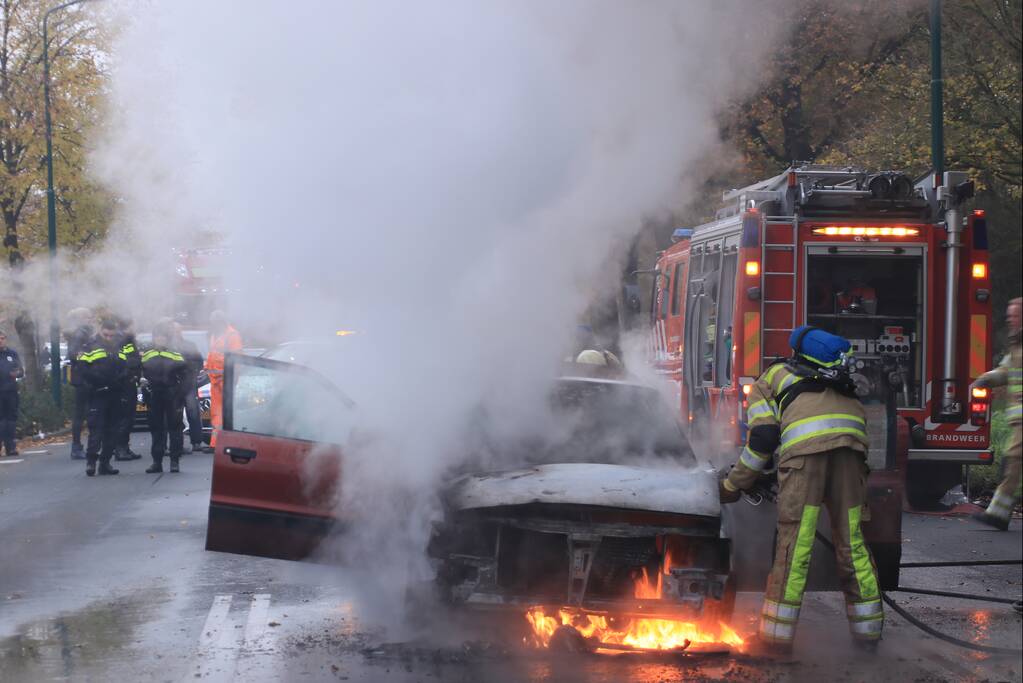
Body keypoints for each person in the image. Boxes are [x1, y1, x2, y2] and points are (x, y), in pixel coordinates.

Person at [719, 325, 882, 654]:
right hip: (852, 457)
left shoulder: (772, 378)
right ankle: (868, 634)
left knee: (796, 545)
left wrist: (733, 484)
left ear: (794, 353)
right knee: (852, 543)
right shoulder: (840, 382)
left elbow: (762, 442)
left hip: (805, 462)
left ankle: (776, 639)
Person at [971, 297, 1022, 531]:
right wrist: (984, 379)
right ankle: (998, 514)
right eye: (1009, 315)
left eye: (1015, 314)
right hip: (1018, 418)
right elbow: (1007, 370)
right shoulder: (1017, 342)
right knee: (1012, 463)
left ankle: (998, 514)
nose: (1010, 318)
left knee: (1013, 462)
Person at [78, 318, 128, 476]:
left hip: (115, 393)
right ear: (100, 331)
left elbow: (126, 368)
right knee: (96, 429)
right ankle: (91, 462)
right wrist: (100, 380)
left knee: (112, 430)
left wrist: (119, 380)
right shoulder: (90, 346)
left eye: (111, 336)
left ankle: (105, 463)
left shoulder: (119, 347)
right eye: (106, 335)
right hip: (97, 393)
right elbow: (83, 369)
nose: (109, 338)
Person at [142, 323, 187, 473]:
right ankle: (157, 461)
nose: (160, 340)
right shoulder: (147, 354)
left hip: (172, 395)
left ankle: (175, 461)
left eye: (163, 338)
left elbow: (185, 376)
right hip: (155, 394)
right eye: (157, 338)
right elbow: (139, 373)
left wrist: (180, 394)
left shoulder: (176, 354)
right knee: (156, 428)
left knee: (175, 427)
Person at [205, 310, 242, 452]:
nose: (213, 325)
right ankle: (216, 444)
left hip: (227, 379)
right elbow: (213, 355)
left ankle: (225, 443)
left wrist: (233, 379)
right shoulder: (216, 334)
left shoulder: (232, 335)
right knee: (217, 413)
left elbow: (236, 359)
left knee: (226, 413)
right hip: (216, 381)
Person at [65, 308, 95, 460]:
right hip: (84, 379)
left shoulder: (84, 333)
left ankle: (81, 446)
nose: (91, 319)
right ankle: (77, 447)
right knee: (82, 413)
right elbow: (74, 354)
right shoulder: (80, 334)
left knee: (83, 413)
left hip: (83, 378)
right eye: (87, 317)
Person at [114, 316, 142, 461]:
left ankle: (124, 447)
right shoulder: (123, 339)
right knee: (125, 417)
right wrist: (136, 364)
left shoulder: (126, 339)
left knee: (129, 417)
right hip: (125, 383)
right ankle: (120, 449)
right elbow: (124, 360)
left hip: (128, 381)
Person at [173, 322, 205, 454]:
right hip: (173, 385)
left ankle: (196, 442)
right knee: (174, 415)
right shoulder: (167, 347)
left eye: (178, 330)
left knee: (193, 413)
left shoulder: (190, 346)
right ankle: (177, 444)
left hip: (188, 383)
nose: (176, 333)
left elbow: (199, 362)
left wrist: (193, 372)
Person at [0, 330, 25, 457]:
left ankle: (11, 447)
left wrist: (18, 373)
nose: (1, 340)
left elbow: (21, 370)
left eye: (3, 338)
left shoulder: (12, 353)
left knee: (11, 420)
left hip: (11, 391)